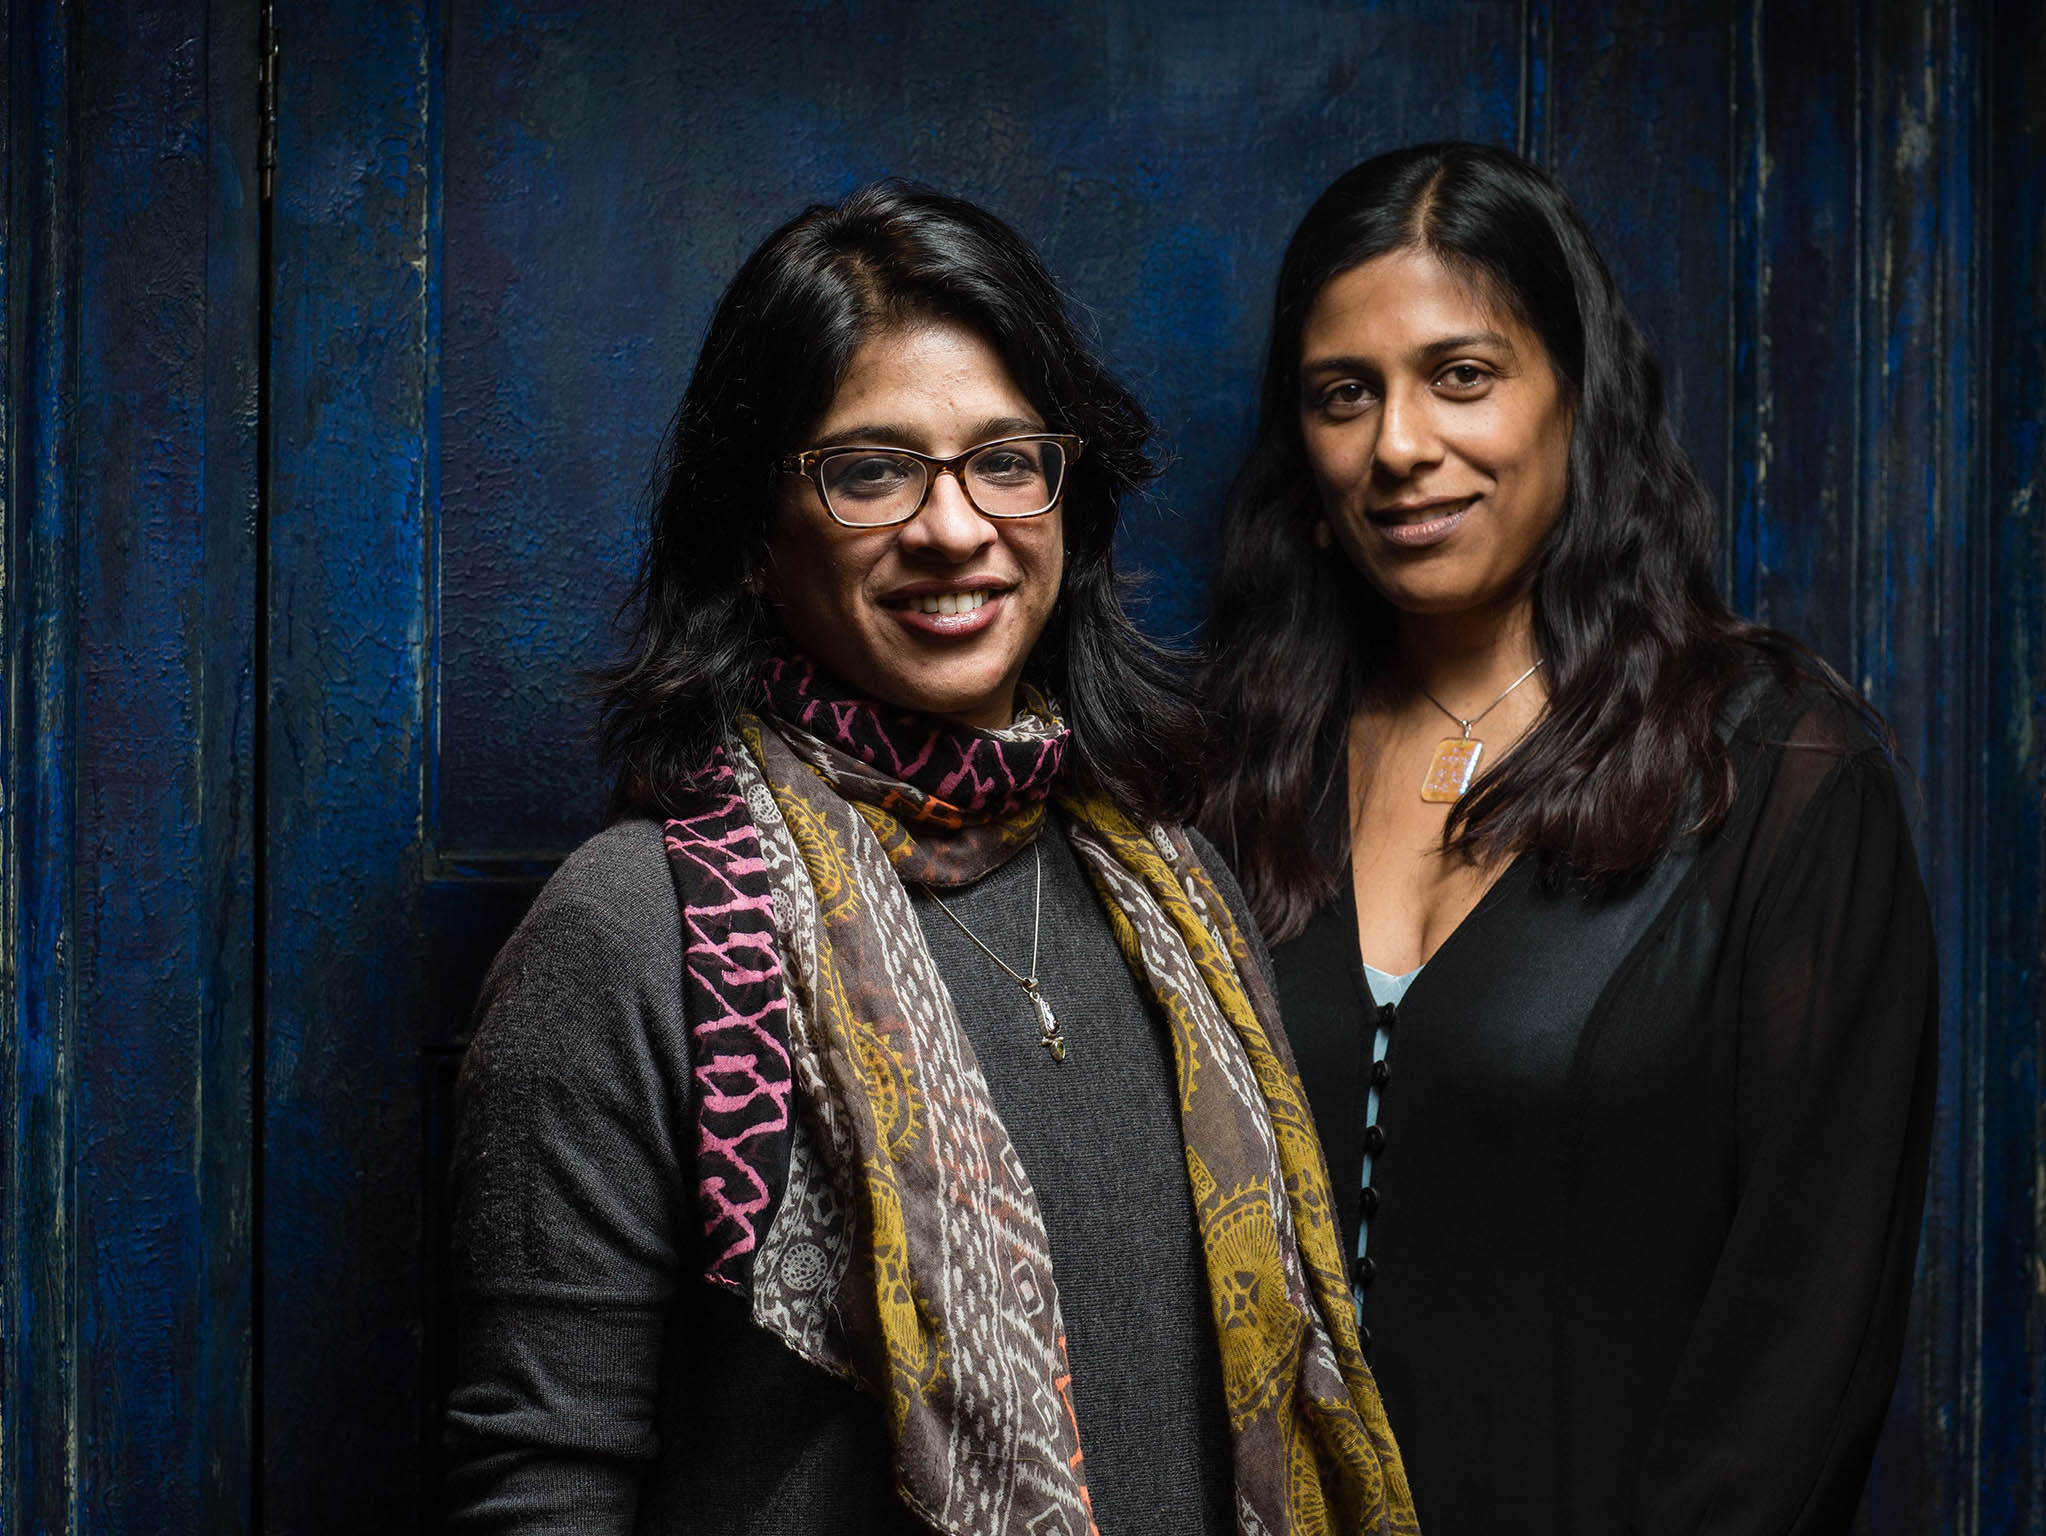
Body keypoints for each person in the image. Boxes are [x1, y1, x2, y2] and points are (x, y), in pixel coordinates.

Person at [444, 180, 1414, 1535]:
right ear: (753, 537)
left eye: (1004, 460)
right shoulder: (634, 935)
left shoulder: (1177, 891)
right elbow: (542, 1487)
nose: (954, 528)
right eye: (869, 470)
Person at [1200, 142, 1936, 1535]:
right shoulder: (1231, 776)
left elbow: (1804, 1333)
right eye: (1342, 395)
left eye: (1460, 375)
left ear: (1574, 397)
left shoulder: (1776, 781)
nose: (1398, 445)